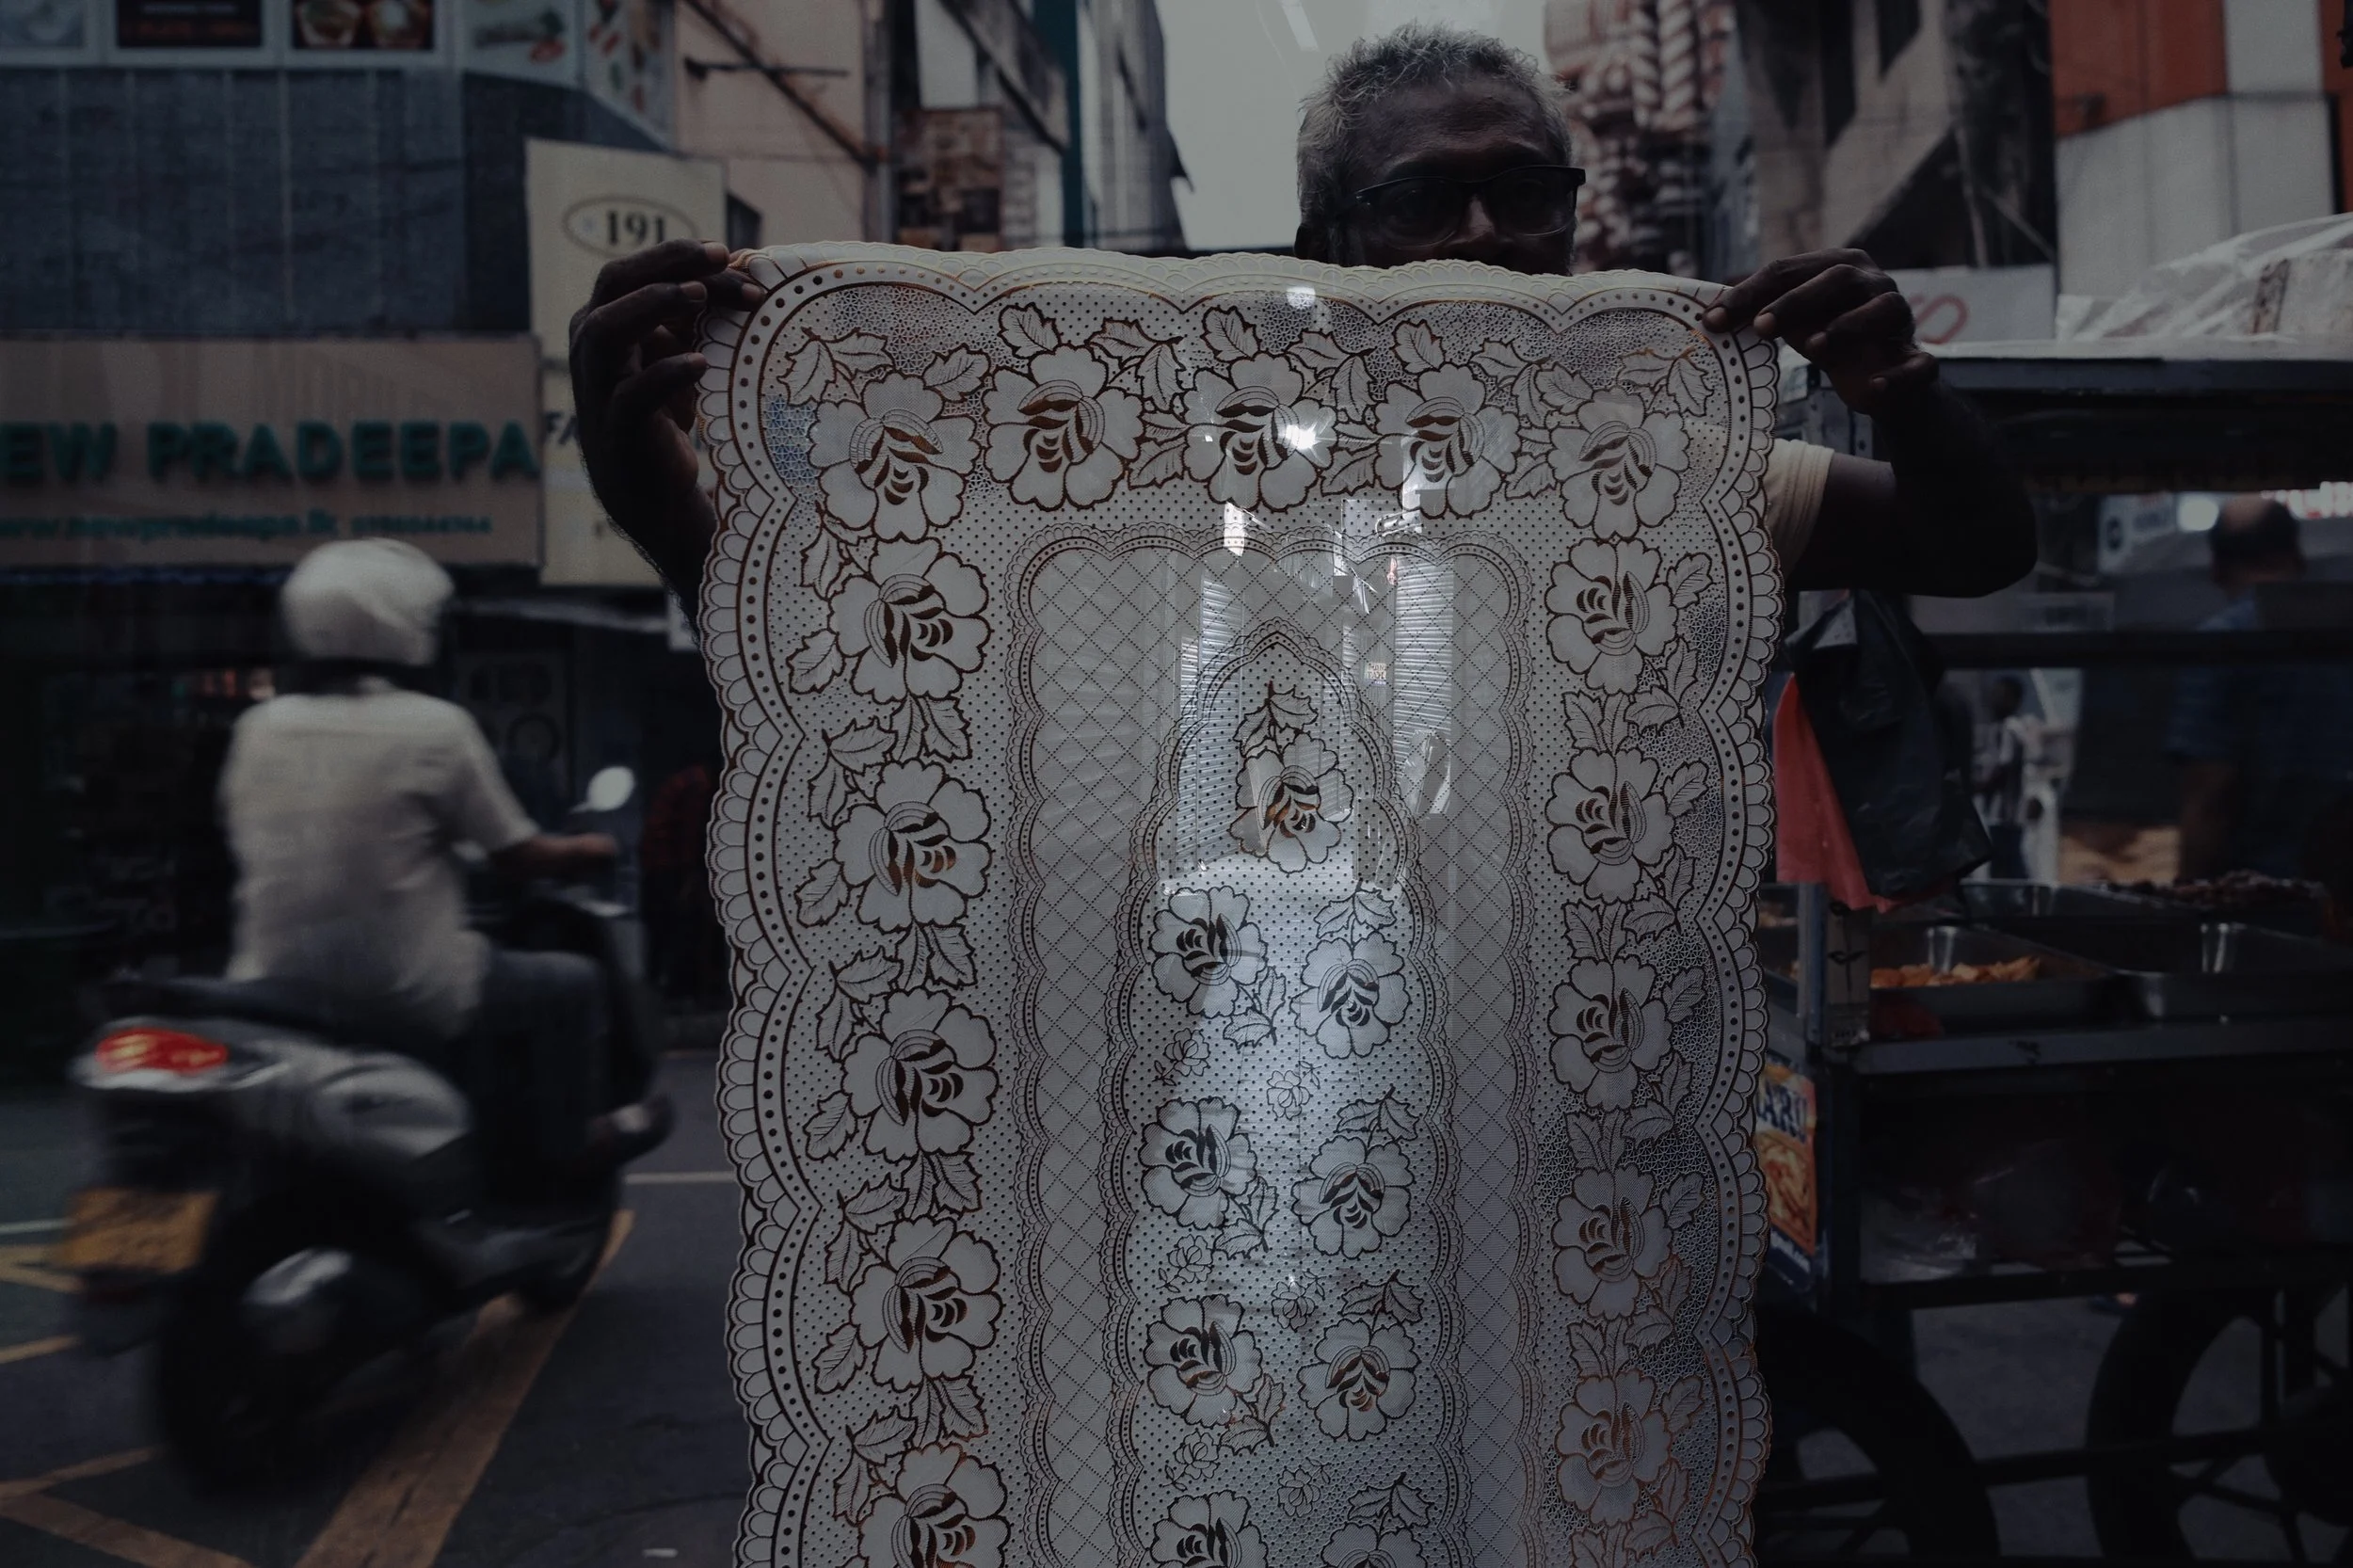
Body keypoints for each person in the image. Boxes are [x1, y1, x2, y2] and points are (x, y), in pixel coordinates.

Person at [565, 25, 2036, 622]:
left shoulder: (1644, 465)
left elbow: (1975, 551)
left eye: (1523, 189)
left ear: (1578, 213)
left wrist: (1900, 382)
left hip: (1547, 1083)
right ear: (1329, 244)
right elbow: (856, 632)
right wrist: (652, 488)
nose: (1482, 237)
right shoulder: (1172, 457)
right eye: (1423, 201)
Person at [219, 538, 671, 1177]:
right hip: (410, 987)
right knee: (571, 985)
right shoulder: (435, 726)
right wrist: (593, 847)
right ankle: (566, 1145)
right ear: (406, 627)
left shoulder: (257, 729)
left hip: (272, 986)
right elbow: (519, 856)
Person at [2168, 497, 2353, 879]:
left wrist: (2189, 901)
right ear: (2297, 558)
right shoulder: (2340, 639)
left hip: (2257, 897)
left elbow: (2210, 794)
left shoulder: (2219, 645)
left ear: (2216, 568)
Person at [1973, 676, 2034, 879]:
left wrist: (1976, 788)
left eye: (2000, 696)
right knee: (2004, 864)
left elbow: (2002, 769)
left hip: (2006, 812)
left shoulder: (2008, 729)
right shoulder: (2001, 728)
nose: (1993, 700)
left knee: (2007, 865)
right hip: (2001, 813)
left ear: (2014, 700)